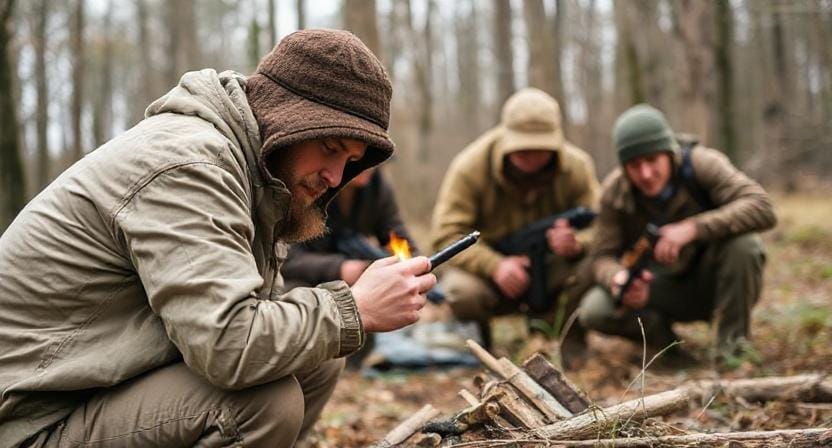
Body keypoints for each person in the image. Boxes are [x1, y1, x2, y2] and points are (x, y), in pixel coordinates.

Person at [0, 29, 436, 448]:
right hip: (32, 419)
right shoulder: (189, 165)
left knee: (317, 360)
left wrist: (343, 315)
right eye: (329, 147)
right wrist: (354, 308)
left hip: (93, 388)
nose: (336, 178)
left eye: (351, 161)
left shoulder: (252, 173)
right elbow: (230, 345)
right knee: (264, 404)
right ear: (288, 118)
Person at [578, 104, 776, 363]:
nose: (645, 174)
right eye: (634, 165)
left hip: (714, 280)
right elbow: (601, 257)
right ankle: (666, 348)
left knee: (744, 246)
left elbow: (762, 207)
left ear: (669, 153)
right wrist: (618, 278)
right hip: (657, 288)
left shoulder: (702, 164)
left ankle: (732, 352)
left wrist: (693, 229)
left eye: (652, 160)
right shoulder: (614, 193)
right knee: (595, 309)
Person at [430, 87, 600, 356]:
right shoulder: (469, 167)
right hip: (490, 276)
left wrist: (577, 243)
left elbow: (603, 227)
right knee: (461, 291)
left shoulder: (577, 167)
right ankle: (478, 348)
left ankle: (563, 340)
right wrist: (495, 265)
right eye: (522, 147)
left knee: (593, 267)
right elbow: (446, 235)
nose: (531, 156)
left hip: (551, 268)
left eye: (540, 148)